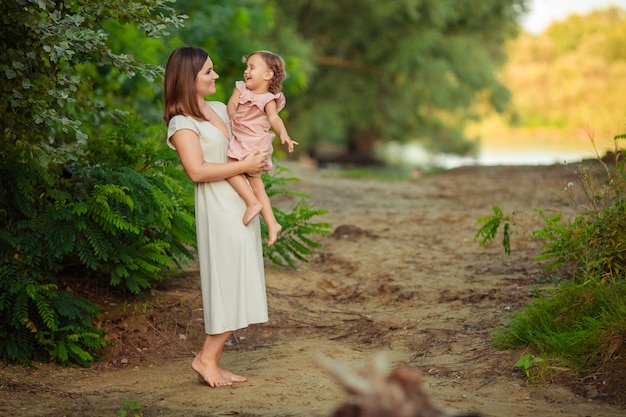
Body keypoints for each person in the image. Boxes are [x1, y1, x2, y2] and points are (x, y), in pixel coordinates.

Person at [163, 46, 269, 387]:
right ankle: (205, 359)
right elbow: (196, 170)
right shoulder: (181, 123)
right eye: (208, 72)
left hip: (241, 202)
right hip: (217, 207)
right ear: (188, 79)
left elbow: (247, 138)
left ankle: (212, 360)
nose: (216, 76)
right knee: (227, 280)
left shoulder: (221, 109)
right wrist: (244, 166)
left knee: (239, 278)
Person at [226, 50, 298, 246]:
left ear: (268, 75)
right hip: (243, 140)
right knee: (257, 185)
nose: (246, 71)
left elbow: (274, 118)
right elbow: (231, 103)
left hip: (255, 144)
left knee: (230, 168)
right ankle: (272, 224)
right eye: (246, 67)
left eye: (252, 67)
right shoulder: (241, 88)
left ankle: (252, 203)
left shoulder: (268, 99)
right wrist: (232, 112)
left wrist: (284, 134)